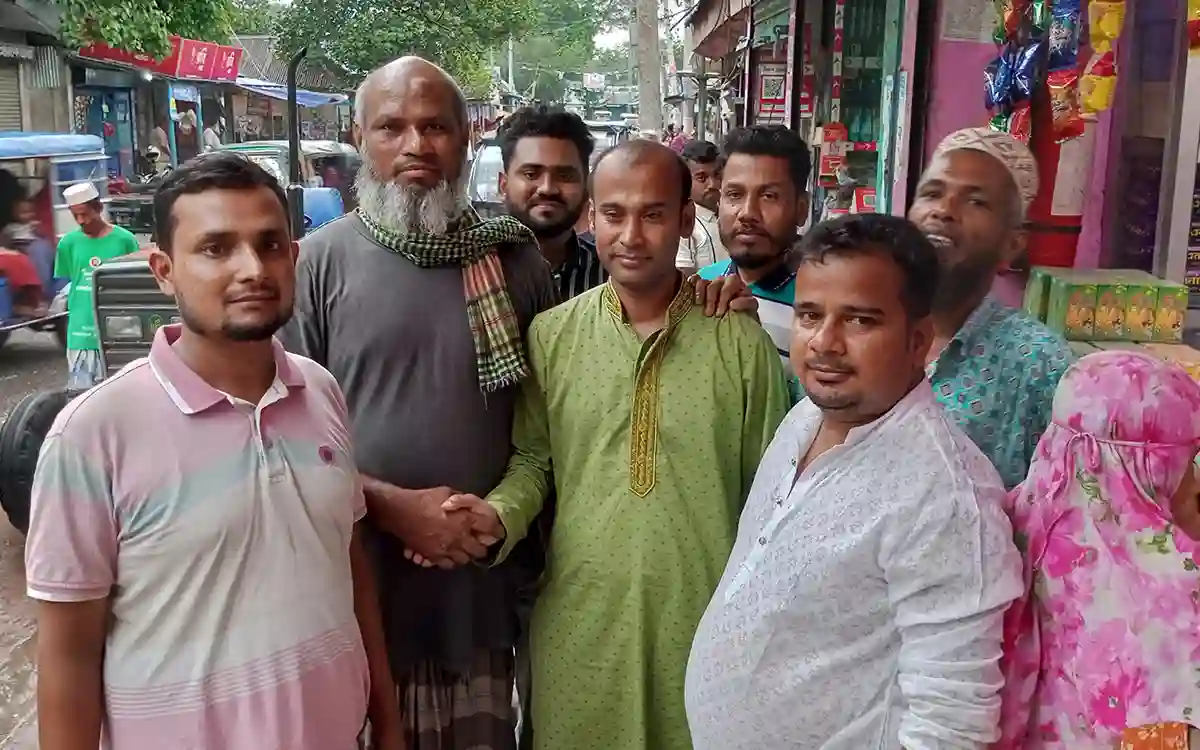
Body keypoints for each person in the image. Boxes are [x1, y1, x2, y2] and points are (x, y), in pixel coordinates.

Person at [25, 152, 402, 750]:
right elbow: (68, 659)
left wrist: (387, 723)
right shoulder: (92, 435)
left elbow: (349, 569)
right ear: (163, 269)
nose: (252, 268)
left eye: (270, 244)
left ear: (294, 256)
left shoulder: (321, 391)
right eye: (216, 248)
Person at [438, 140, 790, 750]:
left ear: (685, 221)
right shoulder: (552, 337)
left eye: (653, 214)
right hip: (581, 622)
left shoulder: (740, 345)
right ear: (590, 218)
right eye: (614, 213)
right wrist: (498, 514)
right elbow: (535, 461)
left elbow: (775, 502)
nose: (631, 234)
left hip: (706, 624)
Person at [685, 213, 1024, 749]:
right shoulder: (807, 417)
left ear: (918, 340)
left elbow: (951, 726)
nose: (825, 343)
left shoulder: (947, 499)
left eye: (860, 321)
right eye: (810, 315)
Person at [995, 350, 1200, 750]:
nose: (1194, 483)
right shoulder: (1179, 598)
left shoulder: (1002, 532)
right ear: (1144, 469)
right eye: (1186, 462)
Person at [909, 127, 1074, 488]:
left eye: (976, 201)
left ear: (1012, 244)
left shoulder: (1040, 363)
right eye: (932, 193)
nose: (944, 210)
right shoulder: (861, 325)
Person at [698, 124, 812, 402]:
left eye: (769, 196)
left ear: (801, 208)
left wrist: (753, 346)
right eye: (734, 195)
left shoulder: (823, 303)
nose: (747, 213)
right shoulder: (702, 287)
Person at [498, 106, 605, 300]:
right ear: (503, 185)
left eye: (564, 176)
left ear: (586, 186)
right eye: (531, 174)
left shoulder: (612, 278)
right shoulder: (475, 273)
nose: (547, 188)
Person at [55, 182, 140, 392]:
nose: (81, 221)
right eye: (76, 216)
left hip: (118, 330)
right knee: (80, 395)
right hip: (80, 333)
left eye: (85, 214)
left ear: (98, 208)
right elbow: (67, 283)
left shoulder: (125, 240)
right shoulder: (68, 243)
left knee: (120, 392)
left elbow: (135, 283)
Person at [676, 139, 727, 273]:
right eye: (701, 178)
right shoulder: (684, 224)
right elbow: (685, 275)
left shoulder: (730, 214)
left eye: (717, 175)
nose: (713, 184)